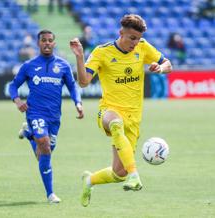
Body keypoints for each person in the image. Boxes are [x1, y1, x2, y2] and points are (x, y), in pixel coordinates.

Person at [70, 14, 172, 207]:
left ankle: (90, 180)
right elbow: (83, 82)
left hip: (134, 118)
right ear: (121, 33)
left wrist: (159, 68)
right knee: (116, 124)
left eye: (138, 38)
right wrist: (80, 57)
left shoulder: (143, 47)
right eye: (132, 38)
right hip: (109, 111)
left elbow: (168, 64)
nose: (135, 42)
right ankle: (135, 175)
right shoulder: (102, 52)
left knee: (118, 173)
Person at [9, 30, 84, 203]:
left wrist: (78, 103)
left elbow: (73, 87)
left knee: (43, 153)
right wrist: (18, 101)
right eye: (44, 40)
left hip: (54, 117)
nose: (47, 43)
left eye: (50, 40)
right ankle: (50, 194)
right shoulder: (29, 65)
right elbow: (13, 86)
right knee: (43, 143)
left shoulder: (63, 65)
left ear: (54, 43)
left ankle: (29, 134)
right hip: (35, 112)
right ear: (38, 43)